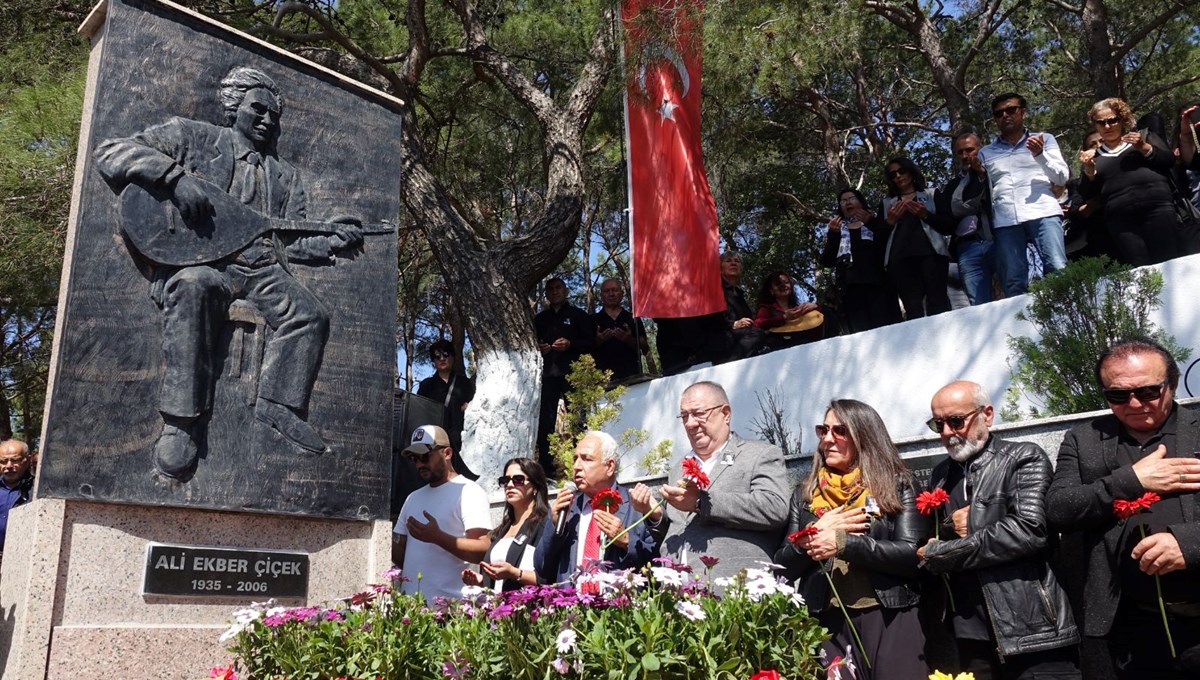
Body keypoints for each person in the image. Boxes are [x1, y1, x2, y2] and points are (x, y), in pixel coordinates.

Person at [93, 66, 364, 481]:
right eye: (258, 109)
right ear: (234, 107)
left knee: (310, 316)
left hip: (262, 271)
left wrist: (332, 239)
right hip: (202, 264)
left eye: (274, 116)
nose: (267, 120)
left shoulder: (285, 177)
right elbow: (111, 151)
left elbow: (290, 239)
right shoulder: (192, 137)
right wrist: (175, 178)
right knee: (194, 286)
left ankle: (278, 404)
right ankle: (182, 423)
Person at [1047, 338, 1200, 678]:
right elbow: (1059, 509)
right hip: (1129, 629)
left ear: (1171, 384)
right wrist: (1131, 480)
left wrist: (1188, 543)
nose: (1133, 403)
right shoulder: (1084, 439)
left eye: (1148, 391)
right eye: (1117, 395)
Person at [920, 381, 1080, 679]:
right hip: (969, 635)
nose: (945, 433)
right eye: (937, 424)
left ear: (987, 414)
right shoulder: (941, 474)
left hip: (1032, 632)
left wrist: (946, 550)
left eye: (955, 421)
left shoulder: (1023, 458)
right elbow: (934, 538)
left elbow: (1030, 531)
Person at [774, 399, 927, 678]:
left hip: (888, 615)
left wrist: (844, 543)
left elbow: (911, 555)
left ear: (863, 435)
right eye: (824, 430)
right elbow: (782, 566)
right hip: (827, 622)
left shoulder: (897, 483)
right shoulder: (805, 493)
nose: (828, 439)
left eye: (840, 431)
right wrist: (815, 534)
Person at [657, 381, 789, 578]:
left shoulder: (759, 454)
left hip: (734, 590)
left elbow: (775, 507)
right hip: (680, 594)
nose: (690, 423)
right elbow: (679, 526)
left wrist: (702, 503)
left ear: (725, 413)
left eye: (699, 413)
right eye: (684, 416)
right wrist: (654, 516)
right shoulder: (679, 469)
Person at [534, 431, 664, 584]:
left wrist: (626, 541)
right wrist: (554, 524)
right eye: (575, 459)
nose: (576, 467)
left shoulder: (637, 506)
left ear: (609, 466)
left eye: (586, 459)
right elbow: (542, 568)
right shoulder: (567, 509)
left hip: (620, 604)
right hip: (572, 604)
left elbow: (657, 565)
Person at [979, 93, 1070, 295]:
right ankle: (1020, 326)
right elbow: (984, 190)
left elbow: (1062, 177)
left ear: (1023, 112)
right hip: (1005, 220)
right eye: (999, 113)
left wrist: (1040, 155)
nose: (1005, 115)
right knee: (1013, 279)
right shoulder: (986, 152)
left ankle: (1067, 319)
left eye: (1011, 110)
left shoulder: (1044, 139)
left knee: (1058, 268)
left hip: (1043, 212)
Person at [392, 425, 492, 600]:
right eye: (414, 458)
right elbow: (400, 554)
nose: (419, 464)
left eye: (424, 456)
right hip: (411, 610)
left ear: (447, 453)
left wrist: (437, 537)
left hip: (450, 612)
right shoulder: (412, 498)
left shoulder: (470, 492)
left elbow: (482, 550)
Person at [1078, 98, 1181, 266]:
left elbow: (1169, 161)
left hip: (1158, 210)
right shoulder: (1093, 157)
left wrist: (1143, 147)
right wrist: (1089, 170)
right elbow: (1087, 194)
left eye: (1112, 120)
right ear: (1095, 125)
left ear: (1122, 120)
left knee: (1170, 262)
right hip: (1121, 221)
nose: (1107, 126)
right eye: (1101, 122)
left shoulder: (1145, 137)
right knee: (1141, 269)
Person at [533, 277, 594, 475]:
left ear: (566, 291)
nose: (554, 292)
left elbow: (590, 343)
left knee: (578, 420)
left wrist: (570, 345)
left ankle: (582, 462)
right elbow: (530, 345)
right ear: (546, 294)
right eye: (550, 289)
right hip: (548, 376)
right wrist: (539, 348)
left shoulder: (579, 316)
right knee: (545, 423)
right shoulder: (539, 320)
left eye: (558, 288)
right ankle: (547, 468)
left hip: (573, 375)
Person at [462, 457, 549, 592]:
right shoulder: (502, 529)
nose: (509, 485)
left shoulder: (544, 525)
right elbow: (500, 579)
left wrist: (514, 573)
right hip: (497, 608)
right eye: (505, 480)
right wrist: (482, 580)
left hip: (526, 609)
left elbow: (548, 577)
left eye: (518, 480)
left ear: (535, 487)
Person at [821, 188, 900, 333]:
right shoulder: (837, 228)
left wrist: (873, 222)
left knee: (887, 331)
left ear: (860, 201)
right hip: (849, 291)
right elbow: (826, 261)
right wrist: (833, 235)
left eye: (851, 198)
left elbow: (885, 246)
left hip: (878, 286)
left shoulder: (874, 222)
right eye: (843, 201)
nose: (847, 203)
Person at [881, 156, 952, 318]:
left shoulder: (931, 194)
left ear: (911, 173)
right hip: (900, 261)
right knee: (913, 310)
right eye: (893, 175)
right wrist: (890, 222)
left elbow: (948, 226)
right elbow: (879, 238)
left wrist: (926, 215)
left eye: (901, 171)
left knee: (938, 304)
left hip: (932, 256)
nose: (898, 176)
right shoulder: (887, 203)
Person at [932, 132, 996, 305]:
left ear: (980, 149)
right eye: (960, 152)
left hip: (999, 238)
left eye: (969, 150)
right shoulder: (953, 186)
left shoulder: (995, 174)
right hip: (967, 246)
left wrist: (981, 175)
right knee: (978, 303)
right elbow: (947, 218)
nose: (965, 156)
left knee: (1012, 287)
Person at [416, 339, 476, 475]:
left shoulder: (464, 384)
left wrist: (470, 407)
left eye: (446, 354)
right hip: (434, 441)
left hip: (461, 441)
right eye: (437, 356)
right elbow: (419, 412)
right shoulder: (426, 385)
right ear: (433, 361)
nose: (442, 358)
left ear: (453, 357)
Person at [591, 278, 649, 384]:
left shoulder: (633, 318)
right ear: (601, 296)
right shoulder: (592, 320)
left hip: (632, 376)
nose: (611, 294)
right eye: (607, 291)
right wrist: (599, 340)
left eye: (614, 290)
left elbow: (645, 348)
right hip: (602, 379)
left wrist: (629, 339)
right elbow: (585, 350)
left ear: (621, 294)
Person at [752, 271, 823, 351]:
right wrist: (783, 317)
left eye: (786, 282)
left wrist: (816, 307)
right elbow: (757, 324)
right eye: (778, 284)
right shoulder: (766, 309)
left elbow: (816, 317)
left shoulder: (797, 308)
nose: (783, 285)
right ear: (771, 290)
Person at [719, 252, 766, 360]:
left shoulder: (740, 294)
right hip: (721, 337)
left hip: (742, 336)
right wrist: (733, 324)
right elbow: (710, 318)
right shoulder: (716, 289)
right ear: (720, 267)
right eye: (728, 261)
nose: (733, 263)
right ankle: (728, 365)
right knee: (757, 334)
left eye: (737, 261)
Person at [0, 439, 35, 558]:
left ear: (28, 460)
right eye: (3, 461)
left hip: (20, 558)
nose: (9, 466)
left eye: (15, 460)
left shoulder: (37, 490)